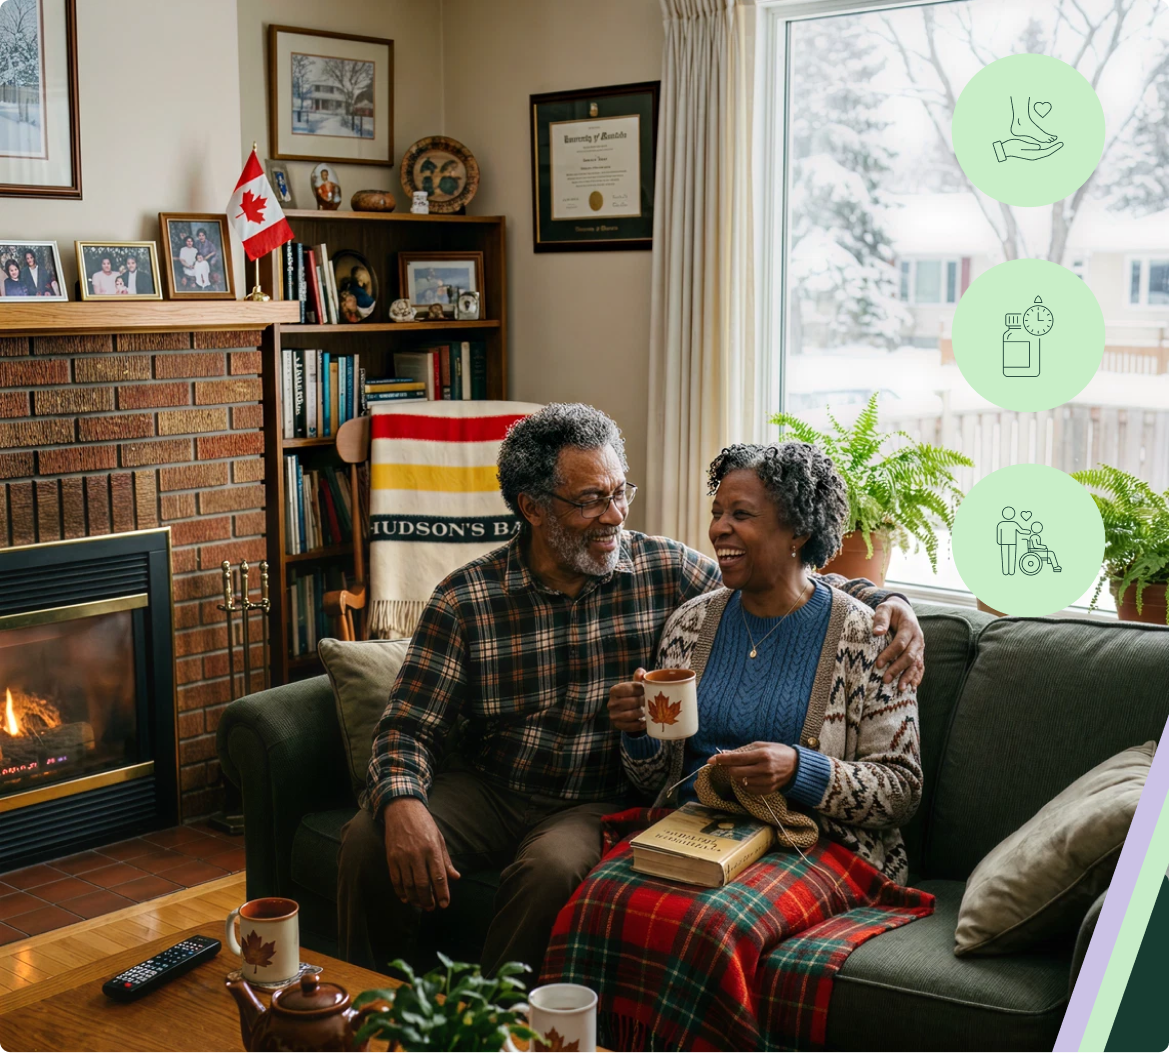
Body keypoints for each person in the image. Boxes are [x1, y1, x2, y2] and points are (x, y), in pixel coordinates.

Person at [337, 404, 926, 977]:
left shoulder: (664, 571)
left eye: (621, 493)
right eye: (592, 499)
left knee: (551, 871)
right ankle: (364, 1007)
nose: (615, 515)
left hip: (593, 800)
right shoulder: (467, 599)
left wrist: (890, 602)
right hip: (493, 787)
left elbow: (787, 582)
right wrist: (402, 801)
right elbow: (407, 726)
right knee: (369, 836)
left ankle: (499, 1031)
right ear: (533, 509)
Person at [609, 441, 921, 882]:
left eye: (741, 514)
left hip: (811, 846)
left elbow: (902, 791)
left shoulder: (867, 638)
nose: (719, 528)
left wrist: (800, 771)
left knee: (709, 920)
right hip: (693, 832)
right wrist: (640, 733)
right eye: (718, 513)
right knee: (597, 900)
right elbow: (654, 782)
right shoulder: (690, 623)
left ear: (798, 532)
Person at [997, 506, 1019, 575]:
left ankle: (1006, 571)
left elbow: (998, 534)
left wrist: (999, 541)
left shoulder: (1001, 524)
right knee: (1011, 557)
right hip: (1011, 542)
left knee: (1005, 557)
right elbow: (1021, 530)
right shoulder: (1013, 523)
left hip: (1004, 542)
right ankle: (1011, 571)